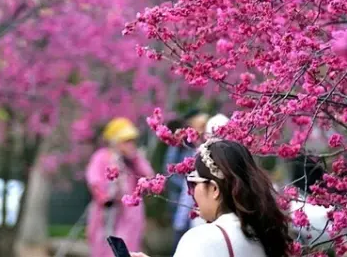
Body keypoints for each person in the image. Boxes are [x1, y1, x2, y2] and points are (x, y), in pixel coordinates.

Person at [131, 139, 291, 257]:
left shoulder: (201, 238)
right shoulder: (263, 235)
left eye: (193, 183)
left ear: (214, 189)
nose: (192, 192)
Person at [86, 117, 155, 257]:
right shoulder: (102, 157)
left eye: (132, 141)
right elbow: (94, 180)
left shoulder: (135, 159)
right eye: (125, 141)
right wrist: (104, 197)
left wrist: (135, 159)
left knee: (128, 247)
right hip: (106, 212)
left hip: (130, 213)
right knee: (103, 246)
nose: (130, 145)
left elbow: (149, 178)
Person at [165, 109, 209, 250]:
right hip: (182, 198)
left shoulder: (205, 147)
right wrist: (189, 184)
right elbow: (171, 170)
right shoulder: (180, 146)